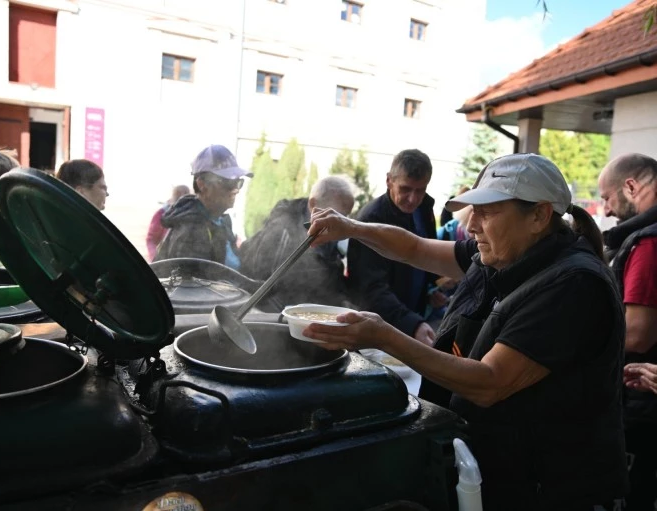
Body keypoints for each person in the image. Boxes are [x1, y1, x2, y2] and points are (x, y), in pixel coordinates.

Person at [305, 153, 628, 510]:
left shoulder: (573, 285)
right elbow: (414, 248)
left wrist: (383, 334)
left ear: (538, 215)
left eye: (487, 212)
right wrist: (352, 227)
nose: (472, 225)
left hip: (551, 489)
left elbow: (490, 383)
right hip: (500, 468)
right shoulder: (503, 252)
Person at [598, 152, 657, 510]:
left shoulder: (648, 244)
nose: (604, 210)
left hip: (640, 403)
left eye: (606, 197)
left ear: (631, 186)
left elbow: (637, 335)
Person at [347, 148, 446, 346]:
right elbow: (371, 290)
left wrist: (431, 287)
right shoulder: (371, 221)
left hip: (412, 317)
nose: (413, 199)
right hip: (379, 329)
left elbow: (420, 257)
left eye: (420, 190)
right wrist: (412, 324)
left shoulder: (424, 208)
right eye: (405, 189)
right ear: (388, 181)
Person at [239, 176, 355, 309]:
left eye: (345, 216)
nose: (340, 221)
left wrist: (341, 302)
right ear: (313, 205)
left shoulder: (330, 234)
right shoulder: (282, 231)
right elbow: (260, 287)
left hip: (311, 311)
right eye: (336, 214)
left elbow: (330, 281)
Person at [154, 145, 252, 269]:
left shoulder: (221, 222)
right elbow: (196, 286)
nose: (236, 190)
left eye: (238, 182)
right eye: (228, 182)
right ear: (202, 184)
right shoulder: (190, 232)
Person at [146, 184, 190, 261]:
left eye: (185, 194)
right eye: (178, 194)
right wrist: (155, 258)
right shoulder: (162, 214)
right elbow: (151, 239)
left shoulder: (193, 215)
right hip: (165, 260)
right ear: (173, 196)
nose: (182, 197)